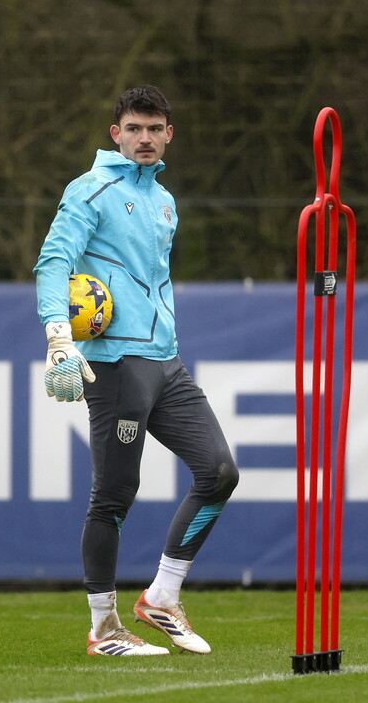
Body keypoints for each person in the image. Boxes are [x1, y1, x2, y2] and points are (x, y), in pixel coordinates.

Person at [33, 85, 239, 656]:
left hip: (167, 365)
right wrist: (57, 338)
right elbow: (52, 263)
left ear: (169, 134)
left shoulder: (165, 200)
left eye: (154, 129)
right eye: (134, 128)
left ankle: (162, 598)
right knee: (114, 497)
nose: (144, 138)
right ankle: (104, 629)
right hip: (115, 366)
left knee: (219, 472)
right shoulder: (90, 189)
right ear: (115, 134)